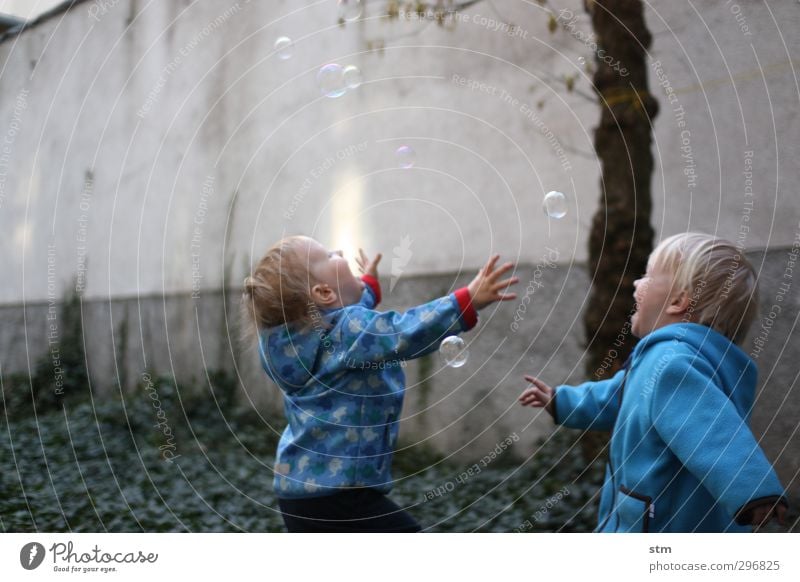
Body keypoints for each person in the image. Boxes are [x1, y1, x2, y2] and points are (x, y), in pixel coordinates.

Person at [243, 235, 518, 532]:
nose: (338, 252)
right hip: (341, 495)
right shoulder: (346, 332)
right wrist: (466, 301)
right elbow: (403, 331)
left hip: (299, 493)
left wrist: (368, 287)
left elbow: (339, 318)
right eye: (328, 255)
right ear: (323, 292)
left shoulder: (291, 340)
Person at [519, 232, 788, 532]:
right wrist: (562, 400)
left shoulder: (673, 364)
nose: (636, 283)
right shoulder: (663, 361)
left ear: (678, 301)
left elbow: (713, 431)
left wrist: (754, 491)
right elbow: (618, 396)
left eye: (647, 276)